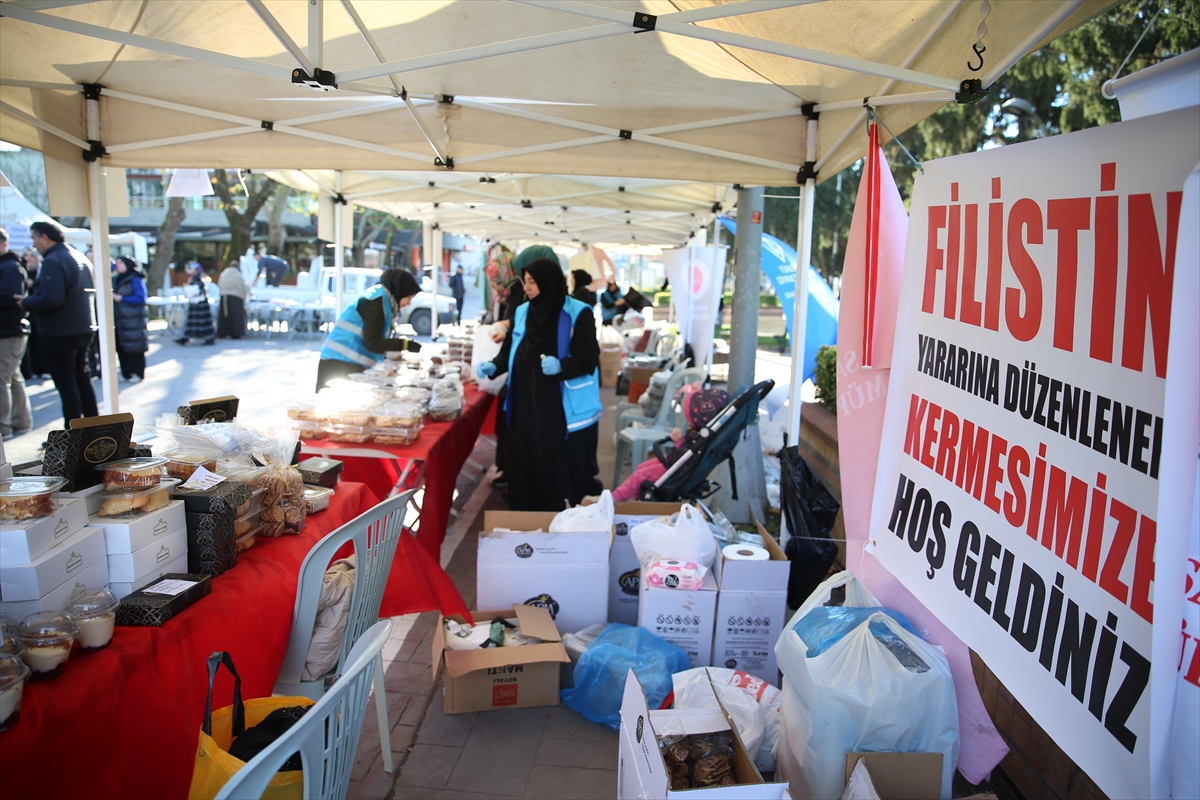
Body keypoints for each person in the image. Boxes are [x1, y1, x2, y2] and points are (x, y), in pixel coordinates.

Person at [477, 257, 603, 511]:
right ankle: (526, 515)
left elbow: (589, 358)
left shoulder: (577, 312)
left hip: (557, 404)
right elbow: (512, 346)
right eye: (525, 281)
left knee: (554, 459)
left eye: (532, 282)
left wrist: (562, 366)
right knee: (525, 456)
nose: (527, 287)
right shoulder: (523, 311)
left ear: (548, 281)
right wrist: (495, 366)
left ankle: (558, 516)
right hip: (524, 400)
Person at [18, 220, 99, 424]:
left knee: (68, 384)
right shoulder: (77, 256)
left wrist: (25, 301)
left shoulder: (55, 260)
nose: (34, 244)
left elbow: (52, 299)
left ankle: (74, 432)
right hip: (81, 327)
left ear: (45, 238)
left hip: (61, 332)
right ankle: (92, 427)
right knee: (81, 379)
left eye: (35, 238)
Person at [612, 385, 730, 502]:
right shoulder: (702, 431)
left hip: (677, 469)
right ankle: (640, 496)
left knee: (640, 475)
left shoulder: (702, 435)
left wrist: (678, 441)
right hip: (674, 462)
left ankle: (615, 499)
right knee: (640, 467)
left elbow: (686, 455)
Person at [315, 268, 423, 390]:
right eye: (408, 298)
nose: (409, 303)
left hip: (348, 363)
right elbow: (373, 342)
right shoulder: (375, 302)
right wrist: (404, 344)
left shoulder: (384, 301)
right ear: (399, 291)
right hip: (339, 363)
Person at [0, 229, 32, 440]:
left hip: (9, 331)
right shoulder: (10, 266)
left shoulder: (10, 267)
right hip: (11, 331)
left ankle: (4, 426)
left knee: (3, 379)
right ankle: (21, 421)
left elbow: (12, 299)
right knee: (12, 377)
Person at [112, 256, 149, 383]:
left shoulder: (135, 279)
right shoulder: (116, 279)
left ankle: (137, 373)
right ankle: (126, 372)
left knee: (134, 347)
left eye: (121, 262)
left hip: (133, 320)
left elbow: (140, 298)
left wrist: (121, 298)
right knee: (122, 347)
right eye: (117, 263)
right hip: (120, 320)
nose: (118, 265)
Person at [19, 248, 46, 380]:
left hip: (39, 313)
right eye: (26, 256)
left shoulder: (42, 272)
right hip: (27, 314)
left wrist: (33, 284)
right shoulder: (21, 271)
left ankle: (44, 369)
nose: (29, 259)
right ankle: (32, 370)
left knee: (40, 342)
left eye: (31, 256)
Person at [175, 262, 216, 346]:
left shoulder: (197, 279)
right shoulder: (197, 278)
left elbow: (196, 291)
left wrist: (187, 288)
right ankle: (185, 338)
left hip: (199, 304)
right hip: (198, 303)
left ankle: (207, 338)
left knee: (201, 323)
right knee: (198, 323)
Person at [217, 260, 249, 339]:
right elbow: (244, 286)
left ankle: (223, 332)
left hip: (223, 296)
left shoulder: (223, 274)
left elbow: (219, 284)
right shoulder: (238, 275)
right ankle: (236, 333)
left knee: (224, 315)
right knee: (235, 316)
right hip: (235, 297)